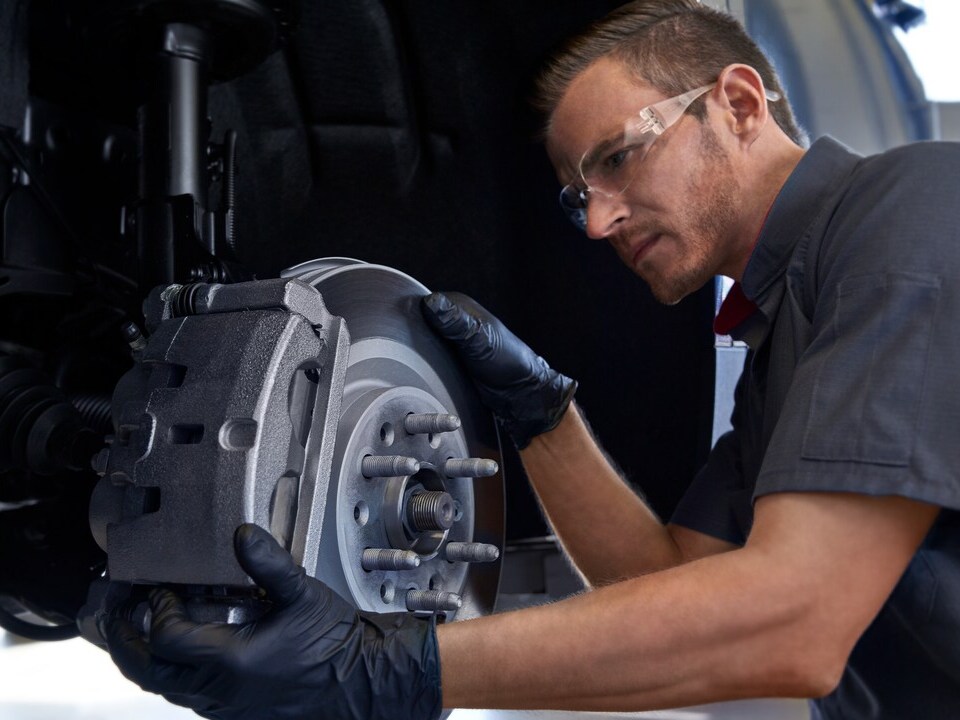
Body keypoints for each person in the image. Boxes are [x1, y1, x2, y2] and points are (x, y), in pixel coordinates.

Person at [103, 1, 960, 718]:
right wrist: (544, 417)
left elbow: (792, 622)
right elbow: (672, 587)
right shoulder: (779, 353)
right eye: (579, 197)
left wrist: (394, 669)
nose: (597, 223)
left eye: (619, 157)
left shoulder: (913, 208)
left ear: (737, 104)